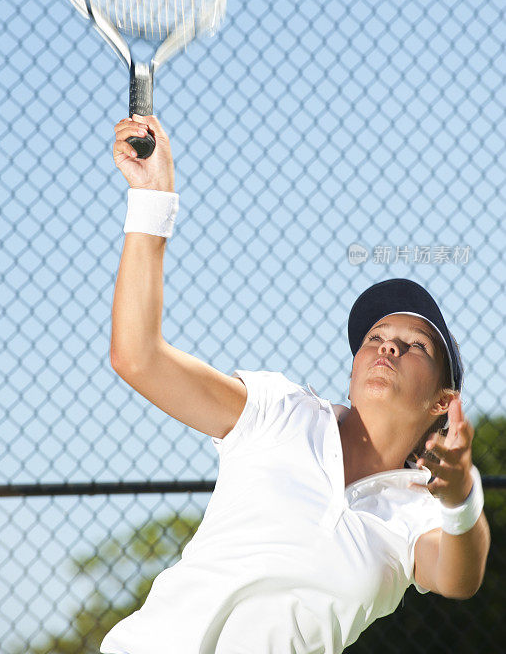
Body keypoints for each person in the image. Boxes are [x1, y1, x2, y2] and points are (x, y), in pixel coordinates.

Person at [100, 114, 491, 654]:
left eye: (416, 344)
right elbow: (137, 357)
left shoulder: (417, 512)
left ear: (443, 403)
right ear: (353, 371)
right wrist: (152, 199)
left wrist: (460, 498)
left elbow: (459, 577)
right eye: (376, 336)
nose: (388, 347)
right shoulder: (278, 410)